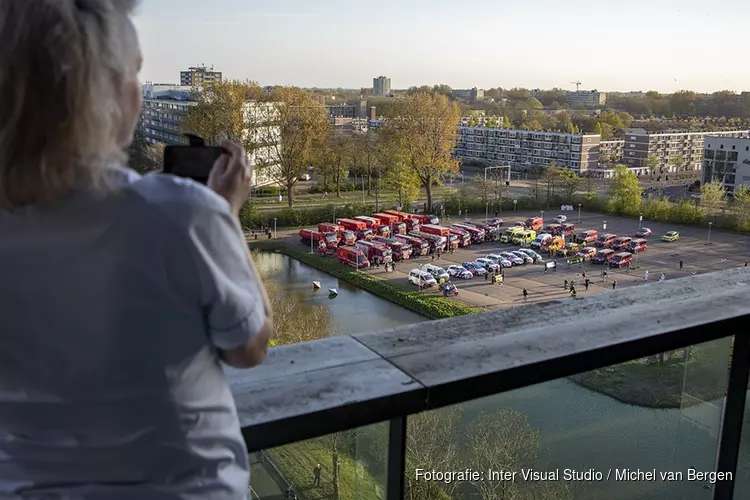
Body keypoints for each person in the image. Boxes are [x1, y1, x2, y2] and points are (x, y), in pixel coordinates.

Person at [0, 3, 274, 499]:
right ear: (101, 93)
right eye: (134, 75)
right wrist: (226, 217)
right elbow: (248, 347)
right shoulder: (180, 214)